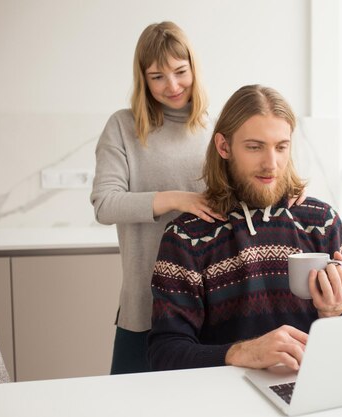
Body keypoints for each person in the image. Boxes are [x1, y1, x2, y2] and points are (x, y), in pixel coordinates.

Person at [91, 23, 305, 375]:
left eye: (180, 72)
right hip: (143, 304)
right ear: (143, 79)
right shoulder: (124, 127)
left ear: (194, 68)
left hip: (206, 306)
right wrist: (178, 199)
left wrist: (289, 187)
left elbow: (248, 189)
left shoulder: (215, 128)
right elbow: (105, 204)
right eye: (158, 76)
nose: (172, 86)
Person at [148, 84, 342, 371]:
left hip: (309, 392)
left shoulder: (322, 222)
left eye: (281, 147)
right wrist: (240, 353)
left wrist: (336, 313)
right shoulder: (186, 236)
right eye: (254, 147)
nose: (271, 164)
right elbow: (164, 353)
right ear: (224, 147)